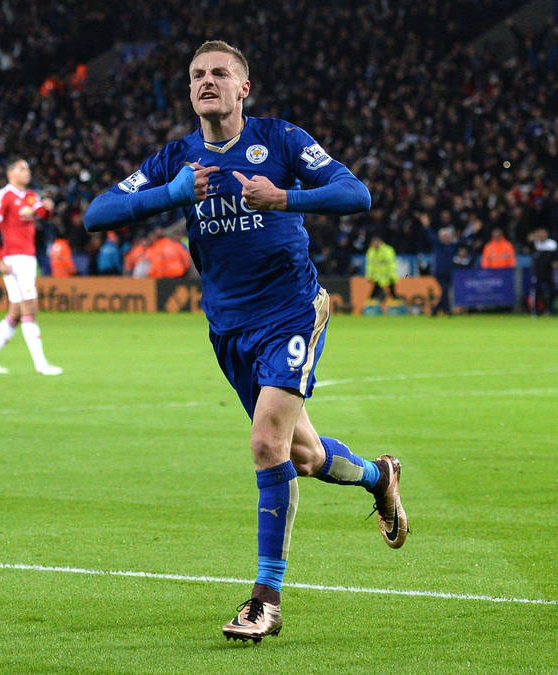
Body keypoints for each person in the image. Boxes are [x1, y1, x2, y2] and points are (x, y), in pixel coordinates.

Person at [84, 40, 407, 644]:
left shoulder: (281, 141)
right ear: (189, 92)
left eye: (220, 74)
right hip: (229, 328)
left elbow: (355, 193)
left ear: (243, 89)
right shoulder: (176, 160)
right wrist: (173, 194)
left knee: (265, 443)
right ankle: (376, 476)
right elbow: (97, 213)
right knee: (302, 456)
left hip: (290, 311)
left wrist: (286, 196)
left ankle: (266, 599)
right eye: (198, 76)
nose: (208, 82)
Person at [0, 158, 62, 375]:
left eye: (28, 169)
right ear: (11, 173)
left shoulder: (30, 195)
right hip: (15, 259)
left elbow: (42, 214)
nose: (27, 172)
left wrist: (47, 208)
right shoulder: (4, 195)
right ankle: (41, 365)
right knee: (29, 308)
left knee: (15, 312)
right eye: (22, 168)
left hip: (27, 257)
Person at [364, 234, 401, 303]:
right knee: (375, 291)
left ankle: (395, 304)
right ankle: (372, 305)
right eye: (373, 242)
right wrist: (369, 275)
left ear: (380, 241)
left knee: (392, 291)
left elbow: (391, 263)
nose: (375, 243)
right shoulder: (371, 251)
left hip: (388, 275)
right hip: (377, 277)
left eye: (376, 241)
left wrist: (392, 275)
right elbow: (369, 265)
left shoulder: (387, 250)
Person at [528, 227, 557, 316]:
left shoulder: (552, 244)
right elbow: (528, 243)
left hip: (548, 272)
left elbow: (555, 257)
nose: (541, 235)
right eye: (540, 233)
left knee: (552, 290)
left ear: (547, 234)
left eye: (543, 233)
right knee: (537, 291)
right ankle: (536, 311)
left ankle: (550, 310)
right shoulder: (535, 244)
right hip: (537, 272)